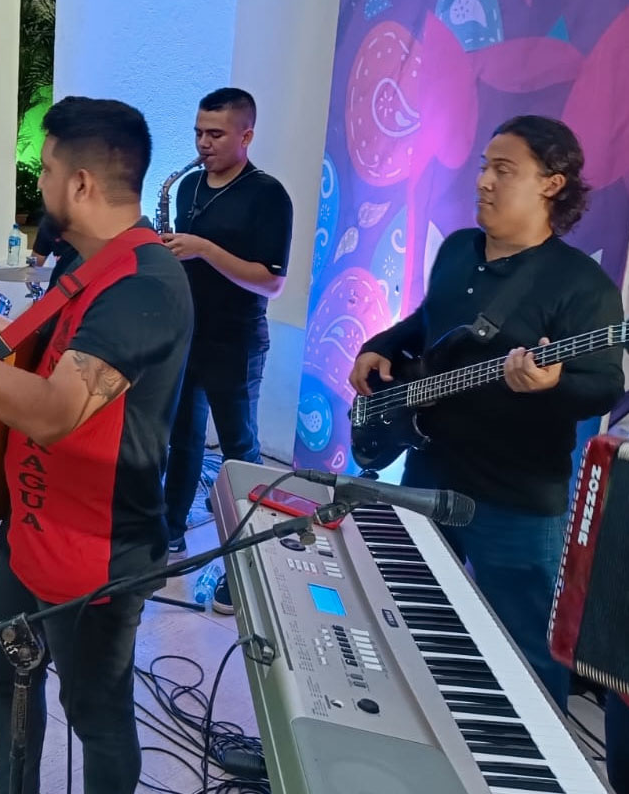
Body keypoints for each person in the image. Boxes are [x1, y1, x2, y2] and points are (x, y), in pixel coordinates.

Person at [0, 97, 193, 794]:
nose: (40, 186)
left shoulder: (146, 284)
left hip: (99, 548)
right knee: (8, 677)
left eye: (47, 169)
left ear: (81, 183)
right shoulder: (78, 265)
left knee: (96, 714)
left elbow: (56, 413)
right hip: (30, 525)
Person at [350, 115, 624, 711]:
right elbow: (429, 322)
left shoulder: (581, 285)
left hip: (518, 501)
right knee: (412, 619)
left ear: (552, 184)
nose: (483, 182)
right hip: (428, 475)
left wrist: (548, 385)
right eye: (483, 167)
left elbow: (603, 387)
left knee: (527, 652)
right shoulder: (456, 250)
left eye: (504, 170)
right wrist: (381, 346)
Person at [161, 88, 292, 625]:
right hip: (188, 334)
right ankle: (168, 534)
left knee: (239, 448)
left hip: (236, 340)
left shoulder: (268, 196)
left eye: (215, 134)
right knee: (183, 439)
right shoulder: (189, 184)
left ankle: (245, 557)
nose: (202, 144)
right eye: (198, 132)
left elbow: (273, 282)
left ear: (247, 135)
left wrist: (204, 250)